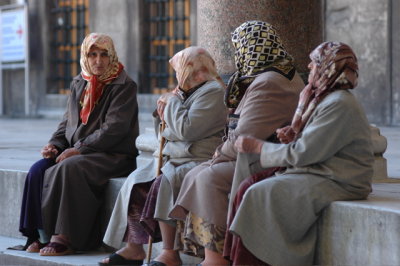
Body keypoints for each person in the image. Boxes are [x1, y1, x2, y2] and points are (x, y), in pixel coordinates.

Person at [168, 20, 304, 266]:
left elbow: (246, 137)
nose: (237, 55)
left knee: (208, 177)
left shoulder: (270, 81)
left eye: (239, 48)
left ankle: (217, 257)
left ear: (251, 48)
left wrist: (218, 154)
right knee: (195, 173)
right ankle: (209, 254)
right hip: (258, 154)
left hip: (263, 160)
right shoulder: (276, 74)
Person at [230, 41, 374, 266]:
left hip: (339, 178)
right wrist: (293, 135)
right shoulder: (322, 97)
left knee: (261, 194)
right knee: (247, 186)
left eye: (315, 62)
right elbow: (313, 144)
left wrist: (258, 147)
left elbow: (303, 154)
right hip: (319, 170)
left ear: (329, 67)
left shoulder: (339, 103)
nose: (308, 66)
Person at [100, 46, 227, 266]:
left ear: (192, 68)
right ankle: (133, 247)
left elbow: (187, 130)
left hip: (197, 158)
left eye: (179, 69)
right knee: (136, 180)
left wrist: (172, 102)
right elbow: (167, 130)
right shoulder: (187, 90)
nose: (177, 75)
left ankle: (170, 252)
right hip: (175, 155)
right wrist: (169, 113)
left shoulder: (214, 91)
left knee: (165, 181)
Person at [19, 33, 139, 256]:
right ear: (85, 56)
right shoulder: (79, 81)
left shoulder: (124, 85)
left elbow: (115, 129)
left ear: (112, 55)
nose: (98, 61)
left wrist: (79, 148)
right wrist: (54, 145)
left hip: (112, 154)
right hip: (80, 151)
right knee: (38, 169)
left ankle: (65, 237)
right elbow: (67, 122)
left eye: (104, 54)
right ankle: (36, 235)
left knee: (68, 167)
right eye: (92, 55)